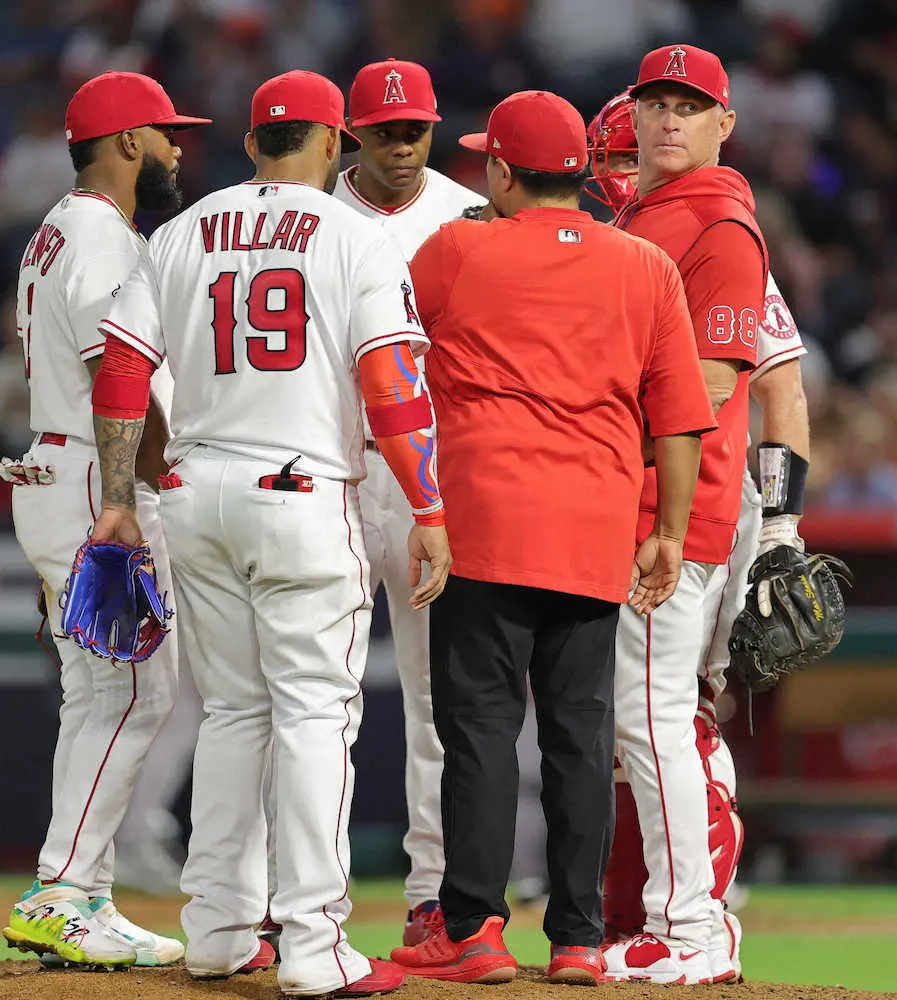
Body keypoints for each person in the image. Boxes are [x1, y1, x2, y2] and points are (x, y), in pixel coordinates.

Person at [88, 69, 452, 997]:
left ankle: (216, 930)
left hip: (194, 491)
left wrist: (121, 495)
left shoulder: (180, 231)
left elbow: (121, 368)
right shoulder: (354, 236)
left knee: (232, 713)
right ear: (334, 142)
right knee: (314, 715)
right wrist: (428, 507)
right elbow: (393, 388)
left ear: (253, 142)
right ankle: (314, 944)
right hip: (300, 493)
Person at [389, 88, 716, 986]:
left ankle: (472, 931)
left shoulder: (455, 248)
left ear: (500, 171)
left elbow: (385, 351)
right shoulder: (644, 264)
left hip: (484, 523)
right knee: (579, 737)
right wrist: (669, 532)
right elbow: (679, 417)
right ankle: (576, 938)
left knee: (480, 733)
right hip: (594, 530)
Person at [589, 88, 810, 978]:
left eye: (623, 157)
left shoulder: (711, 237)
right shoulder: (631, 233)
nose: (619, 172)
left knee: (668, 716)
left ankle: (694, 918)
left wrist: (782, 524)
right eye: (610, 157)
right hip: (656, 498)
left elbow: (778, 392)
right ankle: (655, 913)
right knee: (643, 722)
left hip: (695, 503)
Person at [0, 71, 209, 970]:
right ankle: (62, 890)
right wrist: (158, 477)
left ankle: (77, 894)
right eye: (165, 134)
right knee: (135, 694)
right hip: (97, 475)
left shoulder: (58, 227)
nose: (177, 149)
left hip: (63, 467)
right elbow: (114, 374)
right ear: (128, 141)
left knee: (97, 697)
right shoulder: (97, 232)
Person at [333, 57, 486, 945]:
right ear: (352, 133)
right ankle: (296, 895)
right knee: (320, 698)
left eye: (414, 130)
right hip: (337, 472)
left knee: (439, 701)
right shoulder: (311, 212)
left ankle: (432, 892)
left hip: (431, 479)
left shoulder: (468, 215)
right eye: (384, 130)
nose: (400, 145)